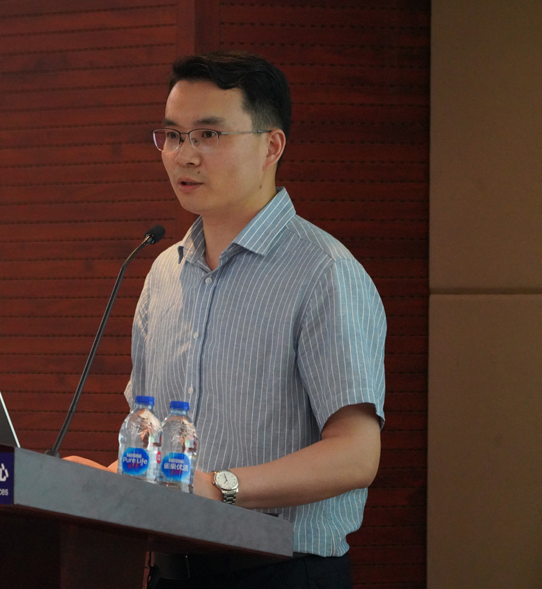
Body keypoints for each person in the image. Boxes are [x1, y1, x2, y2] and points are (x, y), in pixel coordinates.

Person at [69, 51, 386, 588]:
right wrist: (108, 479)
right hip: (170, 572)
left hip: (281, 574)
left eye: (209, 135)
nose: (184, 155)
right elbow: (155, 437)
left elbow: (356, 455)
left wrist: (220, 487)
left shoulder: (323, 272)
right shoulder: (163, 273)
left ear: (271, 146)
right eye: (173, 136)